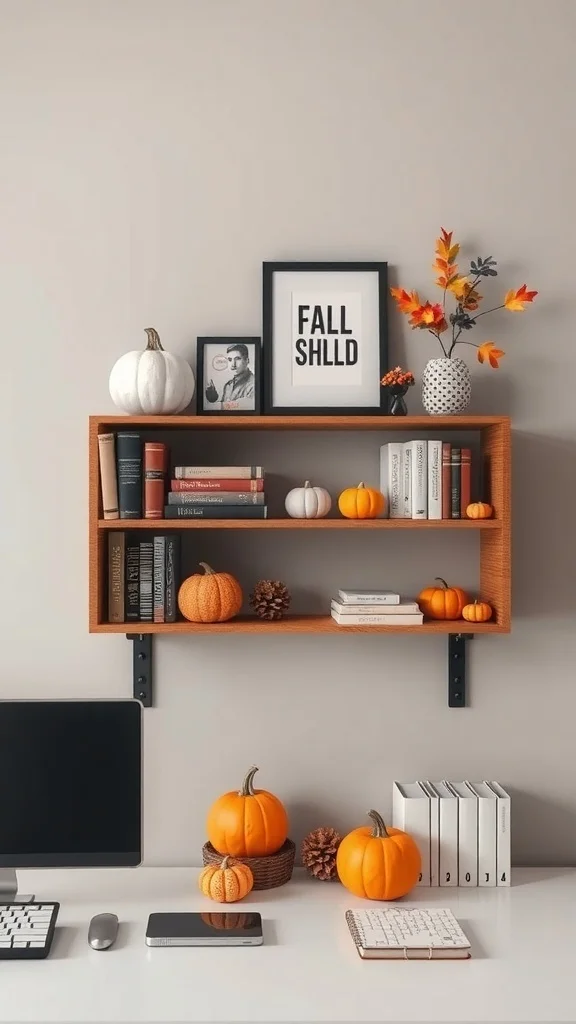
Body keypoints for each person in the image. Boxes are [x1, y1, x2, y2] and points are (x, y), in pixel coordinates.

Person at [205, 343, 255, 410]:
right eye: (230, 360)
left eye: (237, 359)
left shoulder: (254, 385)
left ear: (247, 361)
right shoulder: (228, 385)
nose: (233, 364)